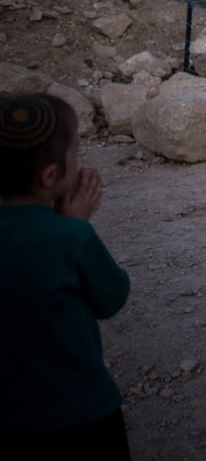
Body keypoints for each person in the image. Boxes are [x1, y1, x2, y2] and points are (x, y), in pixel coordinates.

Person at [0, 93, 131, 459]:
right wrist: (75, 224)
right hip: (79, 412)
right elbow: (112, 298)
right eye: (75, 151)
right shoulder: (71, 238)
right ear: (51, 175)